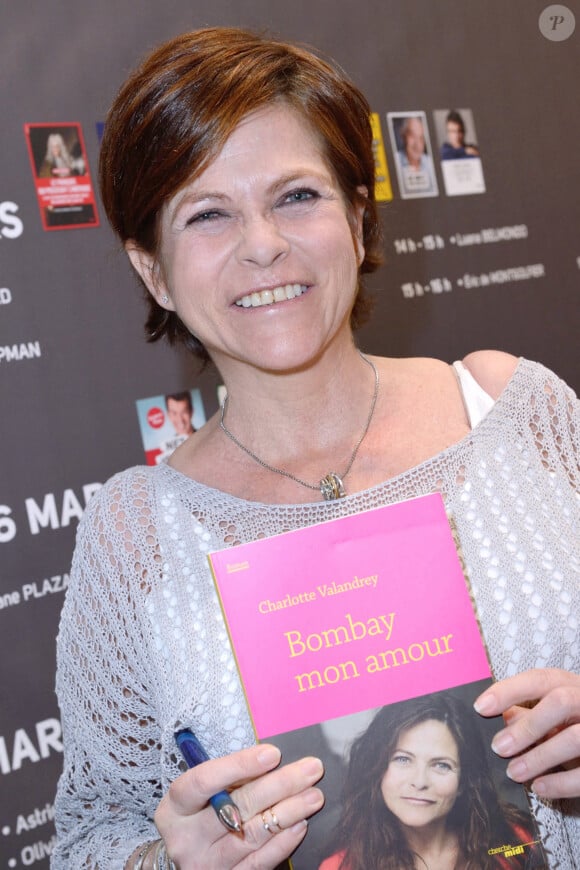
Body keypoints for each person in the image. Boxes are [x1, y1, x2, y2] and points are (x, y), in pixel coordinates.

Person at [52, 26, 580, 870]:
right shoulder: (135, 534)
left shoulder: (518, 413)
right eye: (208, 213)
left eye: (296, 196)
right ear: (153, 270)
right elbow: (89, 838)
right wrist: (168, 862)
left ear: (358, 217)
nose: (262, 243)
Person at [318, 693, 544, 870]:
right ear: (377, 771)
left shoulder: (517, 842)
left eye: (441, 765)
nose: (419, 781)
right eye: (403, 759)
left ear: (464, 782)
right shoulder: (338, 867)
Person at [395, 114, 437, 195]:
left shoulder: (430, 163)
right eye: (412, 136)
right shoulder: (395, 161)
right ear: (403, 135)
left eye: (421, 137)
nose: (417, 144)